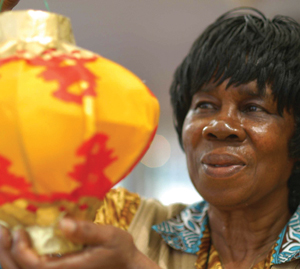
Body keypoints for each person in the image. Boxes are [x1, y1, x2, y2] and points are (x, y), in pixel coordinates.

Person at [0, 2, 300, 268]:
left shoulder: (126, 250)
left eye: (253, 108)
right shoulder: (125, 220)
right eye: (205, 105)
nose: (218, 126)